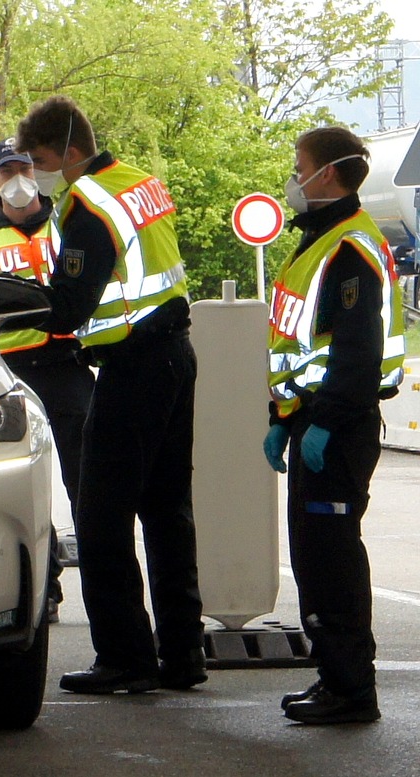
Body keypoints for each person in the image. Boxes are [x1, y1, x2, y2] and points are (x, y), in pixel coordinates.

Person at [14, 95, 206, 693]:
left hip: (133, 367)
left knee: (100, 513)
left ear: (70, 151)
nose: (38, 172)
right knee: (168, 513)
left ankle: (124, 657)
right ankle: (182, 654)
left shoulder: (86, 204)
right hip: (175, 354)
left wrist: (3, 296)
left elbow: (69, 306)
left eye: (42, 159)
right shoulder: (138, 183)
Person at [264, 126, 405, 725]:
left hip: (336, 430)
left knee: (332, 559)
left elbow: (356, 349)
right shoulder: (319, 240)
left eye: (301, 167)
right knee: (315, 555)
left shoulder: (349, 247)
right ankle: (334, 679)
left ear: (330, 173)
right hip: (312, 423)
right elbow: (303, 344)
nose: (294, 179)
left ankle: (351, 688)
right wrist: (281, 417)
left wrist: (323, 422)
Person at [0, 138, 94, 625]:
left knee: (87, 479)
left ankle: (100, 579)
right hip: (6, 371)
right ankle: (42, 587)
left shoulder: (69, 222)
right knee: (20, 486)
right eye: (7, 171)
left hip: (65, 361)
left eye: (25, 167)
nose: (17, 179)